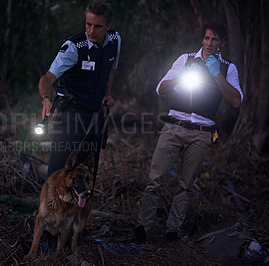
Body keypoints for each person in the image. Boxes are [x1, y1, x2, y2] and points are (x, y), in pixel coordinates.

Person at [133, 22, 243, 243]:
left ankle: (173, 229)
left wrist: (216, 74)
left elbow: (236, 101)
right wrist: (184, 75)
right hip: (174, 125)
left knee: (186, 184)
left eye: (214, 39)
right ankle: (142, 227)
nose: (209, 43)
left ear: (222, 42)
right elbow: (161, 89)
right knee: (155, 179)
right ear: (202, 39)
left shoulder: (228, 68)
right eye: (206, 38)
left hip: (202, 132)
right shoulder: (185, 59)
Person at [38, 0, 120, 188]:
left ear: (108, 26)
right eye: (88, 24)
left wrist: (108, 94)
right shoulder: (74, 47)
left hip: (95, 114)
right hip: (70, 113)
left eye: (98, 26)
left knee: (87, 172)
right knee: (58, 172)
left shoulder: (115, 40)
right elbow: (47, 78)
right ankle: (48, 214)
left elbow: (112, 68)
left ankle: (78, 215)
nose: (91, 31)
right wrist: (46, 100)